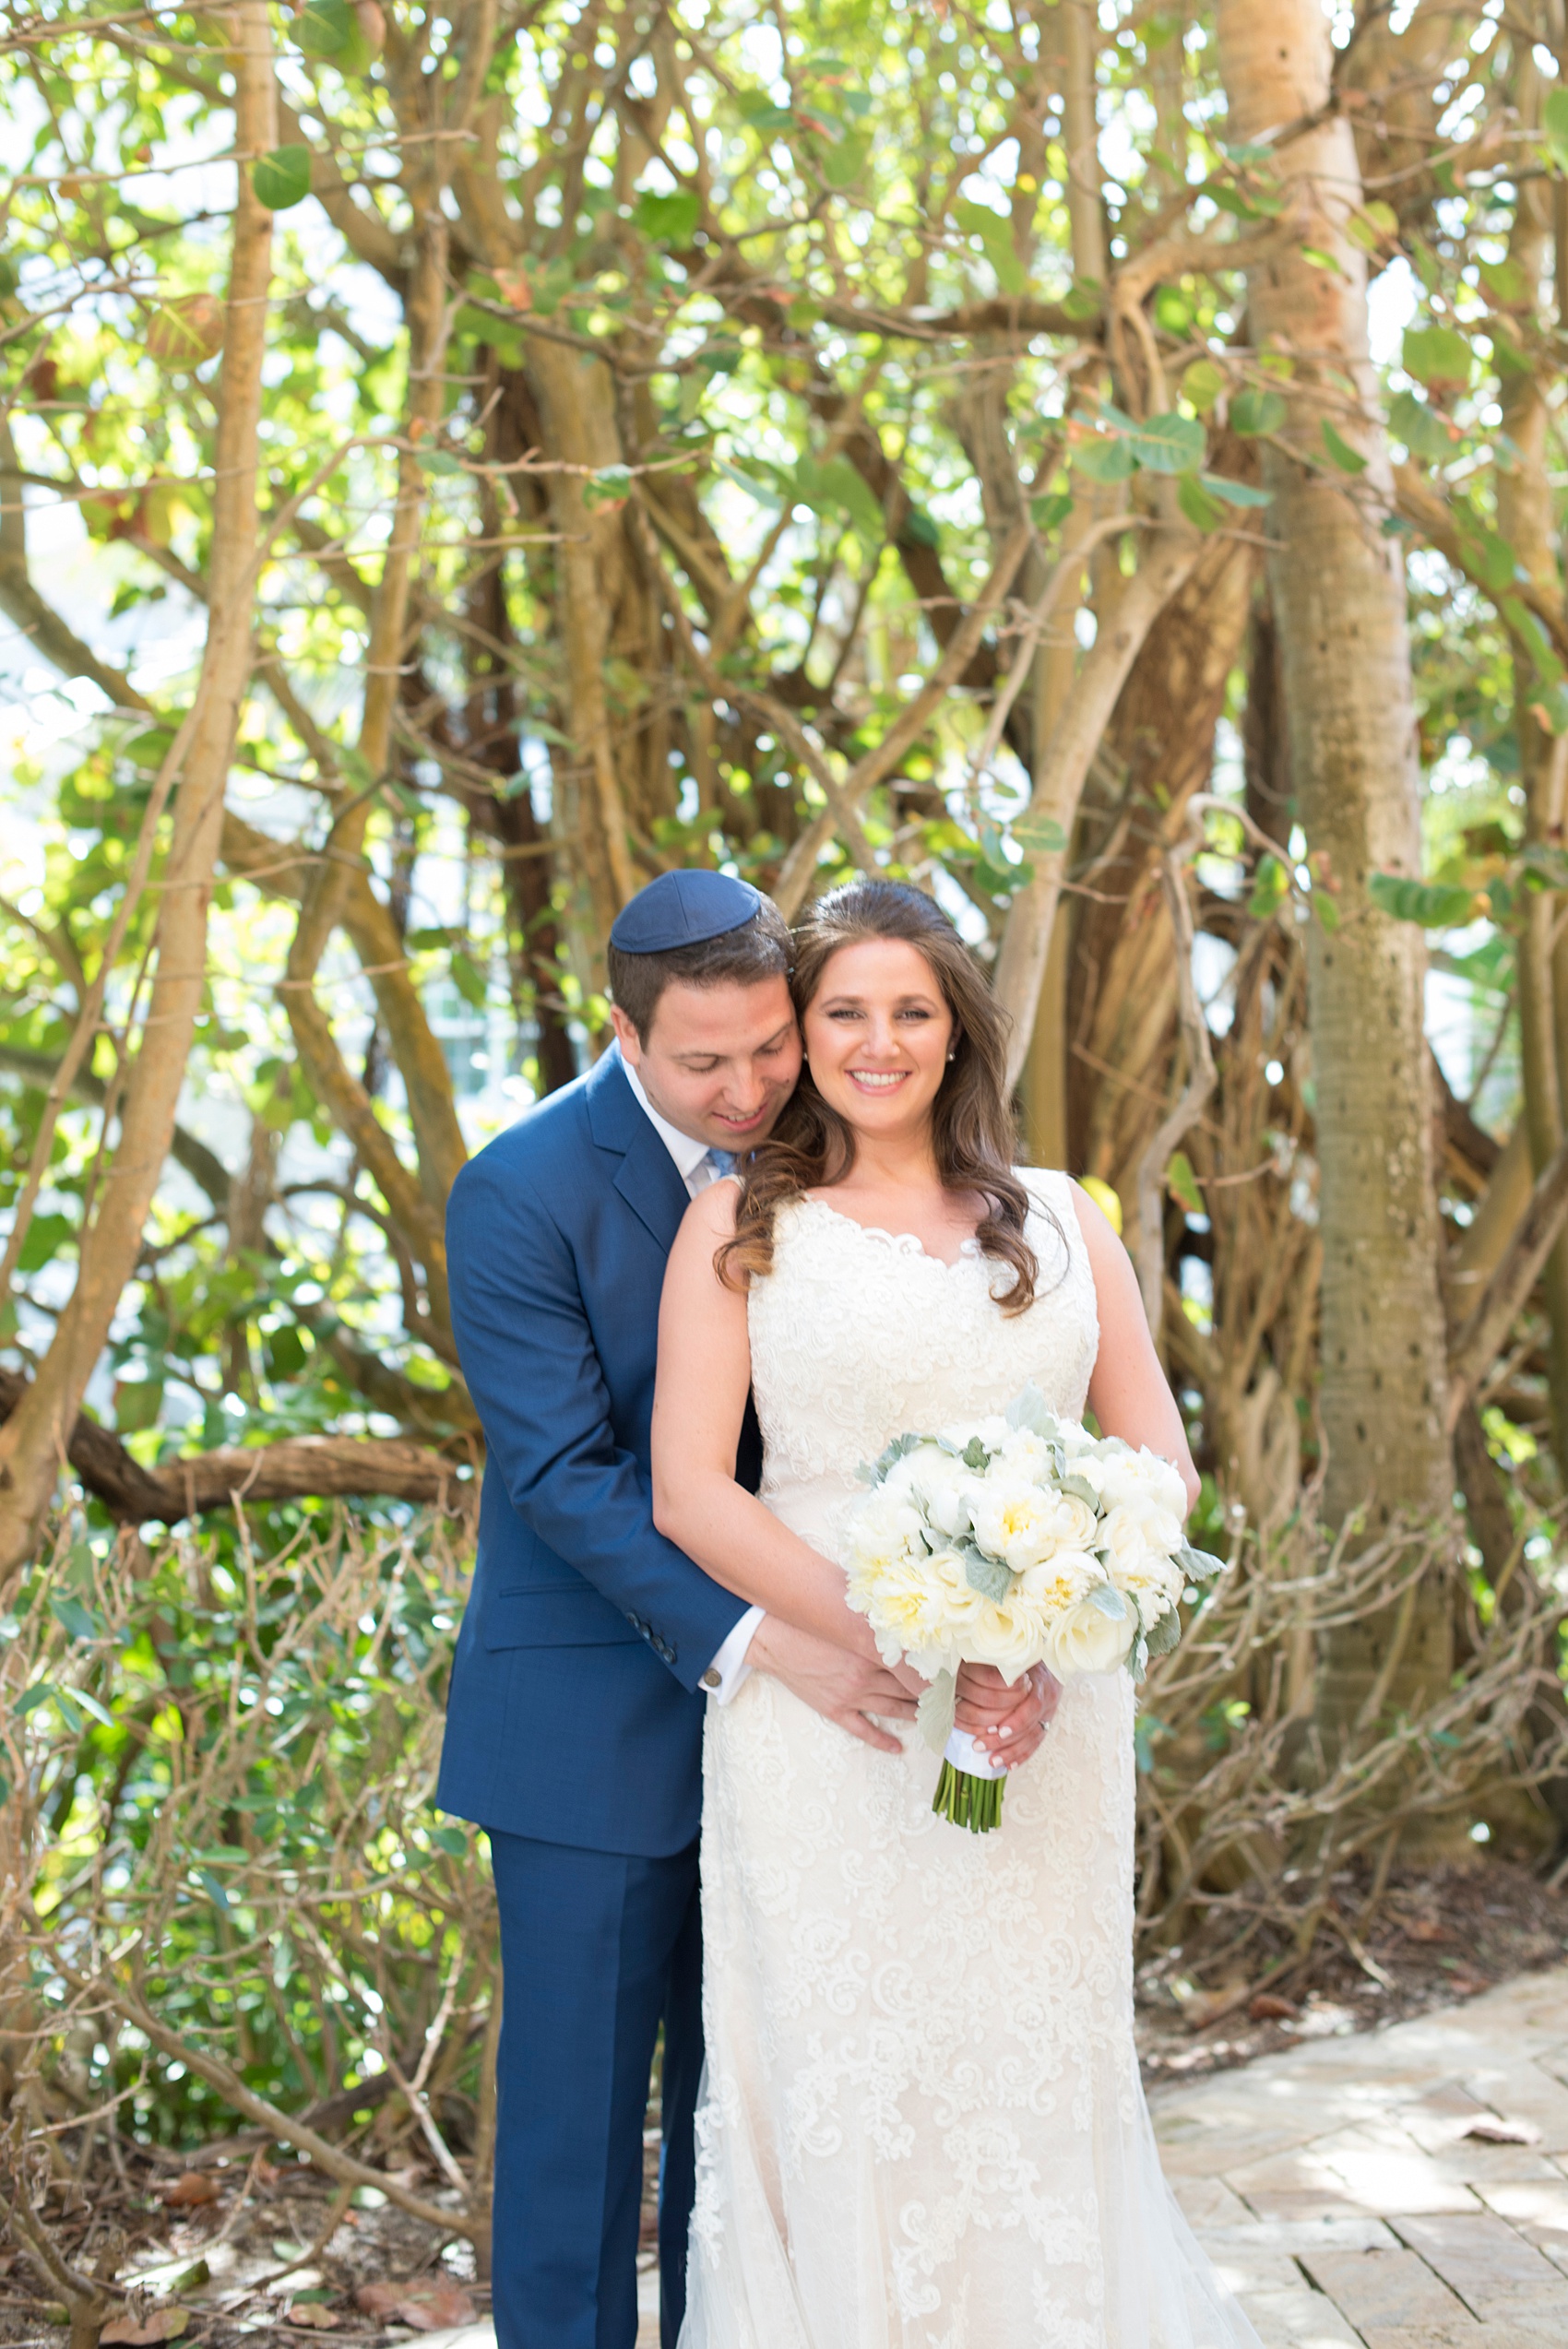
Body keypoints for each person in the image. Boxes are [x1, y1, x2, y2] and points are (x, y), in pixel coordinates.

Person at [436, 870, 1055, 2349]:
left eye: (769, 1048)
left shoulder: (829, 1147)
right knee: (579, 2133)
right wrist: (766, 1642)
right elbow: (565, 1476)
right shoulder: (520, 1188)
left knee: (774, 2126)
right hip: (602, 1720)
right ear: (623, 1030)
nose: (746, 1086)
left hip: (832, 1744)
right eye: (703, 1061)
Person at [651, 878, 1264, 2349]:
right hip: (828, 1718)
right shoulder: (740, 1226)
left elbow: (1156, 1470)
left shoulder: (1061, 1223)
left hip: (1038, 1726)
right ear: (802, 1035)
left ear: (957, 1028)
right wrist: (902, 1636)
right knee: (849, 2065)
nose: (878, 1043)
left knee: (1027, 2060)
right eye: (844, 1013)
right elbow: (692, 1493)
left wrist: (1040, 1645)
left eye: (910, 1011)